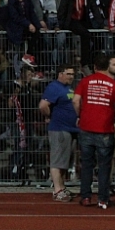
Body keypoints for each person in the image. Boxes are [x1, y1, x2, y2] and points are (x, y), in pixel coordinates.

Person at [73, 52, 115, 209]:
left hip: (86, 126)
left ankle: (86, 197)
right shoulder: (114, 84)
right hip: (105, 128)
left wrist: (80, 115)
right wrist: (109, 114)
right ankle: (103, 198)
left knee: (87, 164)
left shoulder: (85, 81)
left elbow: (75, 101)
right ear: (107, 67)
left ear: (94, 67)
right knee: (104, 165)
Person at [39, 64, 78, 202]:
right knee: (57, 160)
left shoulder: (68, 88)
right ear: (60, 74)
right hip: (59, 128)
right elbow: (43, 105)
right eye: (68, 74)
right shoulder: (54, 87)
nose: (71, 77)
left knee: (65, 161)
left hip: (71, 129)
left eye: (72, 74)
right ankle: (57, 190)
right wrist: (49, 116)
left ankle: (62, 186)